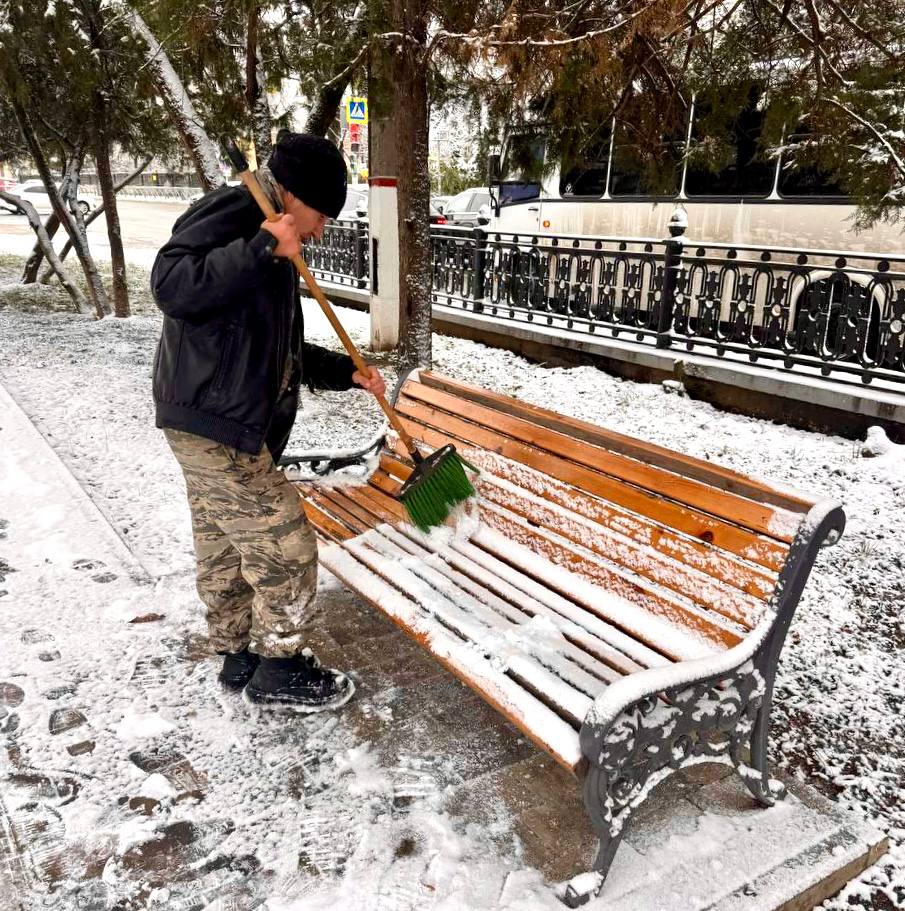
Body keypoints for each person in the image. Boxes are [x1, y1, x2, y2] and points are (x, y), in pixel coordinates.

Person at [150, 132, 385, 712]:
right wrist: (260, 246)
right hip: (215, 420)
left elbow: (272, 344)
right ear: (295, 194)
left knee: (224, 542)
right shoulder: (240, 212)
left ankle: (237, 655)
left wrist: (340, 372)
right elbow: (170, 284)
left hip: (208, 416)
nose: (321, 230)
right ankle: (280, 668)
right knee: (285, 543)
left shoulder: (271, 229)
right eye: (322, 215)